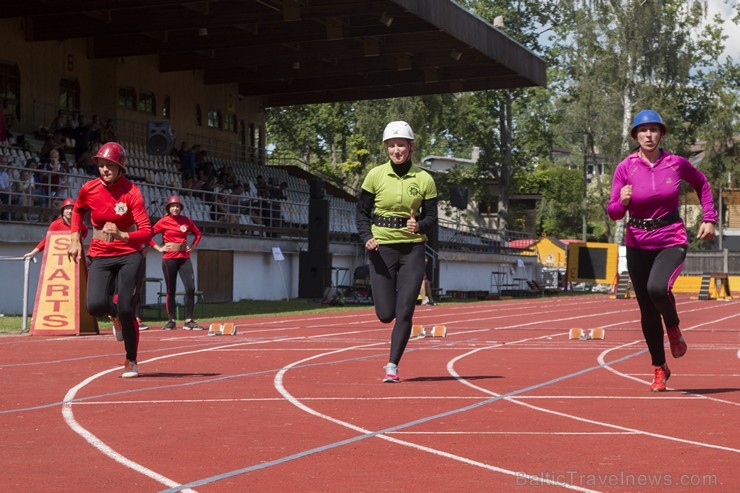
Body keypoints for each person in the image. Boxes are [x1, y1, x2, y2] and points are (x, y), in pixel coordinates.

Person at [607, 109, 717, 393]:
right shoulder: (625, 167)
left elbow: (702, 184)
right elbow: (615, 213)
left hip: (671, 237)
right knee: (646, 309)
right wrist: (622, 201)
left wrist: (709, 218)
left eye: (654, 130)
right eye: (643, 131)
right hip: (637, 241)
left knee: (658, 289)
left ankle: (674, 326)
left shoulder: (676, 163)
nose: (649, 135)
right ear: (635, 135)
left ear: (661, 133)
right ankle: (660, 368)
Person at [356, 121, 438, 383]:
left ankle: (392, 365)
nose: (396, 150)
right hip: (382, 250)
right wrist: (367, 237)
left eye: (401, 144)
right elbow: (361, 213)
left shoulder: (424, 179)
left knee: (405, 312)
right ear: (385, 148)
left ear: (411, 146)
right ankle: (387, 309)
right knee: (385, 315)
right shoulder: (375, 176)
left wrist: (420, 224)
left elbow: (433, 217)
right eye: (391, 145)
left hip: (412, 250)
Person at [67, 142, 152, 379]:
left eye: (109, 166)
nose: (104, 170)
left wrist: (123, 235)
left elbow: (146, 230)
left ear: (120, 167)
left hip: (128, 254)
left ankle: (131, 360)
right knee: (94, 306)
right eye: (101, 165)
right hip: (101, 252)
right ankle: (114, 316)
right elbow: (77, 211)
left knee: (127, 307)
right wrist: (75, 237)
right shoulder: (89, 188)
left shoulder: (132, 192)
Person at [150, 195, 204, 330]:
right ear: (168, 208)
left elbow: (198, 233)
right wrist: (158, 248)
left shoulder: (186, 221)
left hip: (184, 258)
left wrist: (192, 246)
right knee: (171, 290)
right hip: (169, 259)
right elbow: (147, 235)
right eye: (173, 206)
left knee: (190, 287)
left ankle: (189, 320)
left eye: (177, 206)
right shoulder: (163, 221)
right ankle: (171, 320)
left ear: (181, 208)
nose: (175, 208)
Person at [23, 198, 88, 260]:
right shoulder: (55, 224)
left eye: (72, 209)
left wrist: (81, 239)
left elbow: (85, 230)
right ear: (62, 211)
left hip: (74, 255)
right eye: (67, 209)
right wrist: (33, 253)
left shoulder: (78, 223)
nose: (70, 211)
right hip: (59, 256)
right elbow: (46, 240)